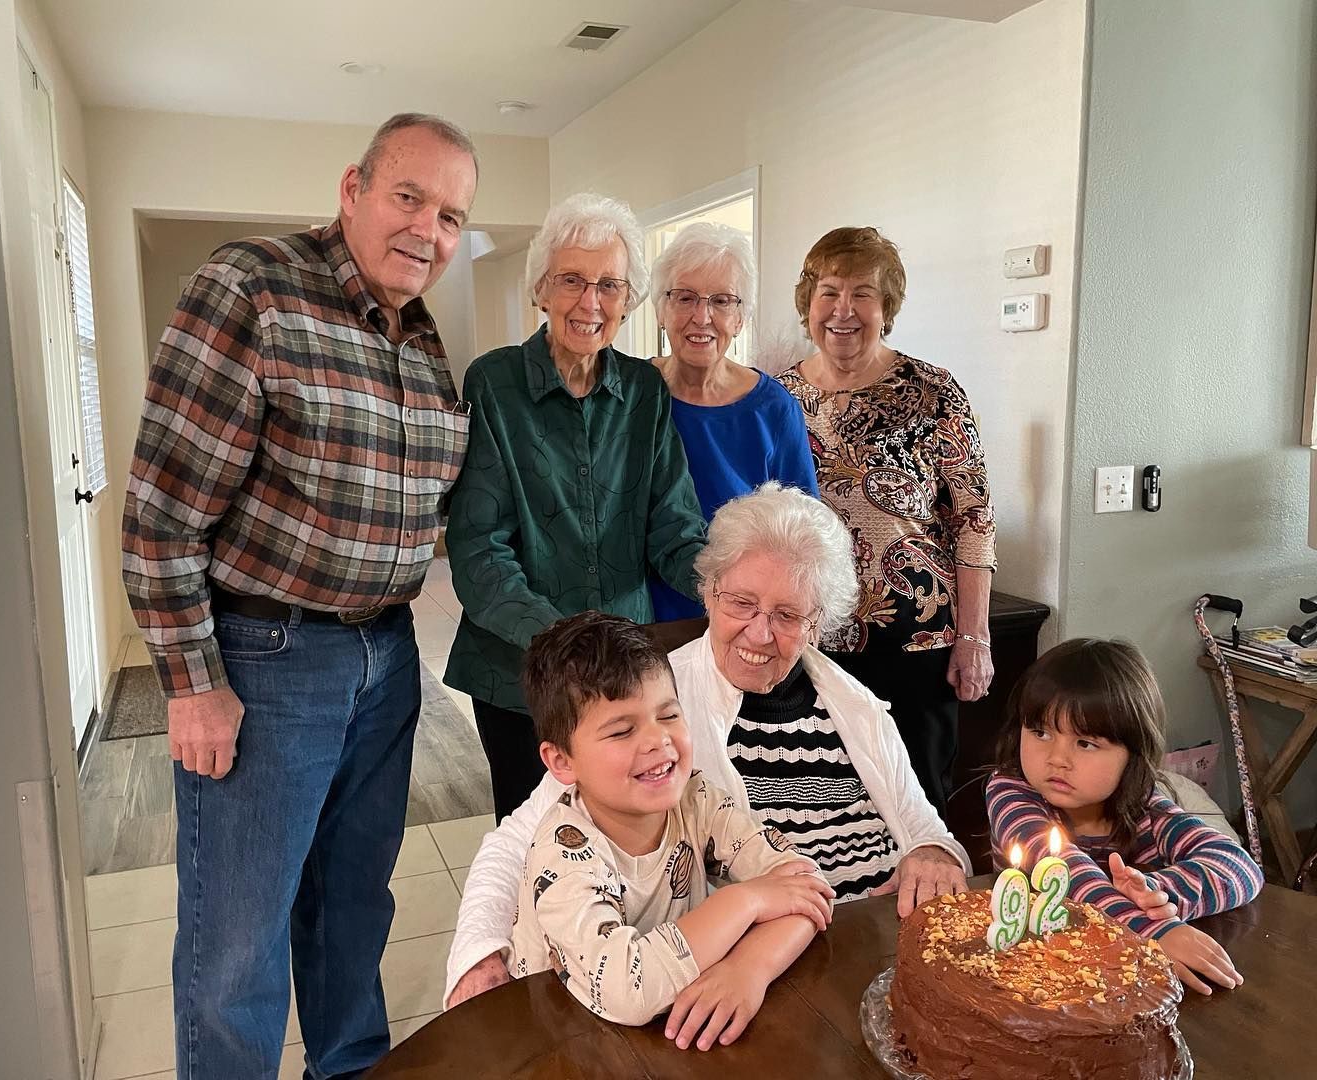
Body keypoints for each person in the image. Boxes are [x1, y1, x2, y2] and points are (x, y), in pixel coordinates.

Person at [122, 113, 479, 1078]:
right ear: (352, 189)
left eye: (451, 216)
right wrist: (193, 684)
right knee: (238, 941)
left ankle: (349, 1067)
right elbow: (160, 512)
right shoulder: (254, 288)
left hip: (388, 657)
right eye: (409, 197)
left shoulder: (421, 338)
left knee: (353, 907)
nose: (429, 230)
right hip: (267, 662)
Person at [447, 484, 970, 1049]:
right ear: (709, 591)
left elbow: (921, 827)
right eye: (742, 603)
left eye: (788, 614)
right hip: (743, 990)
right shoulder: (653, 700)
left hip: (868, 944)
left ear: (818, 622)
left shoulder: (854, 704)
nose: (760, 632)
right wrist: (480, 955)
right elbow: (520, 842)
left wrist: (934, 851)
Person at [443, 192, 708, 823]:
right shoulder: (494, 383)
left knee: (630, 836)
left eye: (609, 285)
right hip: (519, 676)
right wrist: (563, 643)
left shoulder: (644, 391)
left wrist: (727, 586)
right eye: (571, 280)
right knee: (533, 841)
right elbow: (479, 545)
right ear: (541, 288)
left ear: (628, 300)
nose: (590, 302)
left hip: (624, 677)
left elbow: (673, 526)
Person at [509, 611, 834, 1035]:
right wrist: (747, 900)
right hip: (565, 1039)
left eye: (668, 716)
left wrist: (749, 969)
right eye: (621, 731)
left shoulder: (696, 800)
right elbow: (627, 991)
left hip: (672, 1031)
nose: (658, 740)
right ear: (562, 761)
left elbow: (807, 887)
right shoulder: (564, 855)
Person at [775, 226, 996, 819]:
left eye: (863, 294)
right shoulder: (777, 398)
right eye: (829, 292)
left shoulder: (934, 392)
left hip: (916, 640)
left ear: (887, 307)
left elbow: (973, 521)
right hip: (812, 638)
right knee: (818, 802)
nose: (843, 310)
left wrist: (974, 637)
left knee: (919, 801)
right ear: (808, 302)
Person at [986, 638, 1263, 996]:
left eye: (1085, 743)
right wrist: (1151, 928)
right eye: (1041, 732)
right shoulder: (1011, 790)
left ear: (1133, 755)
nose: (1057, 758)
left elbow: (1239, 867)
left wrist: (1156, 895)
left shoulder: (1146, 806)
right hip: (1029, 978)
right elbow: (1066, 871)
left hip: (1120, 982)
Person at [646, 222, 818, 621]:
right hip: (640, 620)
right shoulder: (631, 394)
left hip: (741, 622)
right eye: (684, 297)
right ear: (661, 310)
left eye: (722, 301)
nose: (702, 316)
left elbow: (803, 534)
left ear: (740, 318)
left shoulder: (773, 409)